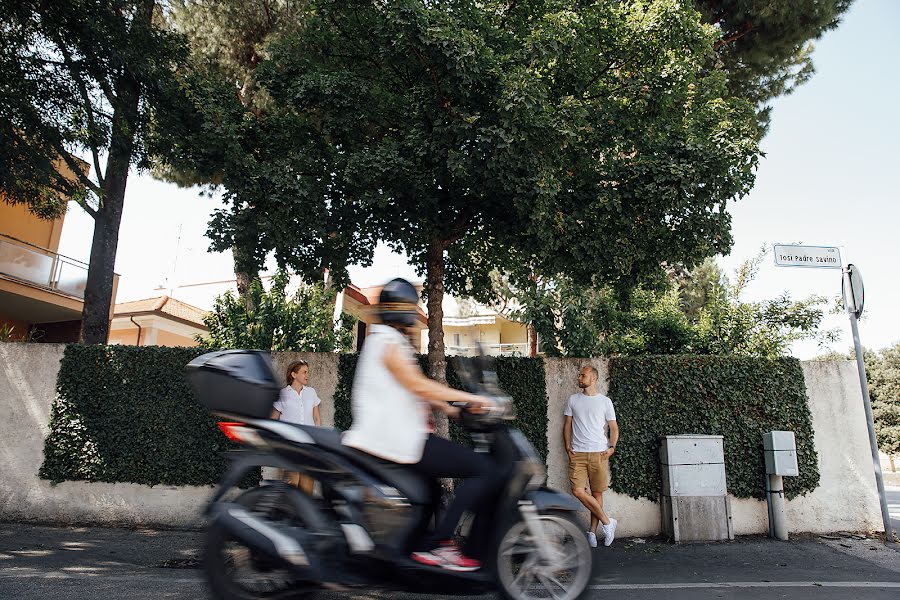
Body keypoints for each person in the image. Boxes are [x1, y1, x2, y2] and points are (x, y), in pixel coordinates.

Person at [342, 278, 496, 572]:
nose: (416, 311)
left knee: (429, 494)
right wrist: (471, 398)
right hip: (396, 439)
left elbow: (413, 390)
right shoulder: (386, 340)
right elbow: (418, 384)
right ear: (402, 309)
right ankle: (441, 546)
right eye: (413, 305)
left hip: (395, 439)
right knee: (482, 469)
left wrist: (454, 410)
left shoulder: (388, 340)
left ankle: (417, 554)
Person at [563, 365, 619, 548]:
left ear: (593, 378)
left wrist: (612, 447)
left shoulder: (605, 401)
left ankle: (592, 533)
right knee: (578, 490)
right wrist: (567, 446)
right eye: (579, 374)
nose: (579, 377)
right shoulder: (573, 399)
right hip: (578, 453)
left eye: (583, 375)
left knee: (596, 493)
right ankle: (608, 522)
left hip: (599, 453)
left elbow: (614, 427)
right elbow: (567, 425)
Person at [271, 359, 321, 495]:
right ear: (293, 375)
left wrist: (317, 441)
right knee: (292, 483)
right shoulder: (283, 394)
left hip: (308, 445)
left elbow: (317, 418)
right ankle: (289, 513)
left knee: (307, 485)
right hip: (290, 446)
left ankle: (304, 514)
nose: (307, 375)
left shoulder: (311, 392)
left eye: (308, 372)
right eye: (304, 372)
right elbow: (273, 419)